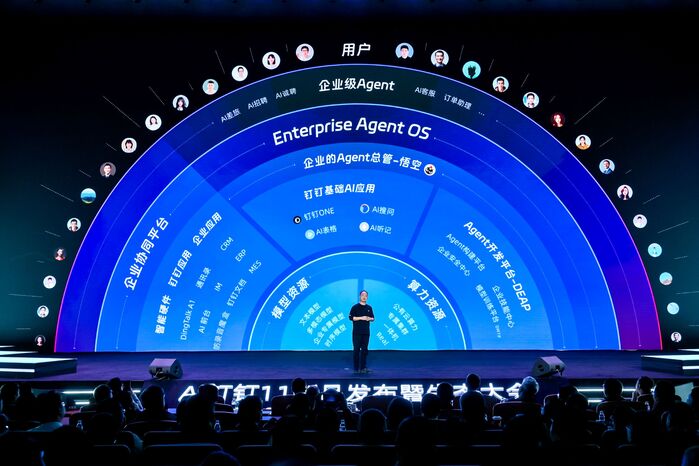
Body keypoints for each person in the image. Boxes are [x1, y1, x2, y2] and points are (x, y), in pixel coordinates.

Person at [349, 290, 374, 374]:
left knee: (364, 350)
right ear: (360, 296)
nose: (364, 297)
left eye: (366, 295)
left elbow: (373, 318)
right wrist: (361, 318)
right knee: (356, 350)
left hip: (366, 332)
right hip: (357, 332)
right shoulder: (355, 307)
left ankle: (363, 367)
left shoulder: (369, 308)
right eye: (362, 295)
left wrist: (369, 318)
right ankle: (356, 368)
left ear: (367, 297)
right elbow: (351, 318)